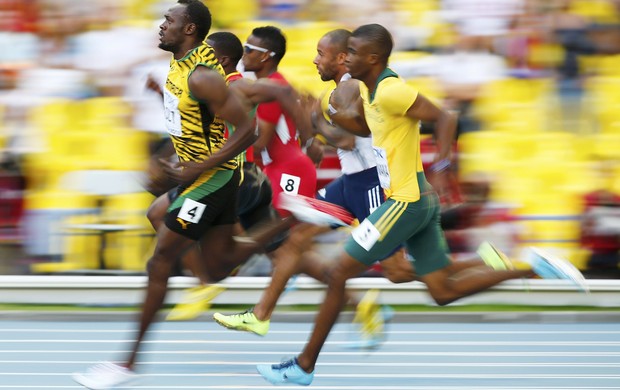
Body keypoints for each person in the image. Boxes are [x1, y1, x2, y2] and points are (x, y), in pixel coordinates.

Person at [256, 23, 588, 386]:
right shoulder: (368, 91)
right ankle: (533, 267)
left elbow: (446, 116)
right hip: (418, 199)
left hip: (405, 201)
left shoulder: (391, 90)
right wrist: (322, 115)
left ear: (372, 58)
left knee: (338, 274)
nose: (345, 57)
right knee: (442, 290)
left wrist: (444, 168)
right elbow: (363, 131)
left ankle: (304, 366)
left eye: (351, 52)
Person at [71, 2, 292, 388]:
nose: (161, 26)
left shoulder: (204, 76)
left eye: (168, 21)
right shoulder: (180, 65)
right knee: (219, 266)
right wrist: (168, 145)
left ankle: (126, 363)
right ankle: (286, 222)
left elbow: (249, 130)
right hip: (202, 177)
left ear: (188, 29)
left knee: (160, 262)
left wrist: (198, 167)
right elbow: (191, 119)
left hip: (214, 180)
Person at [212, 29, 415, 344]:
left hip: (372, 185)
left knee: (397, 271)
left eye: (321, 54)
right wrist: (316, 134)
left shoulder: (349, 88)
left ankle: (455, 267)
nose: (315, 59)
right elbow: (348, 140)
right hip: (349, 185)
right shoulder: (339, 90)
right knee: (295, 240)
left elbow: (347, 139)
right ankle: (260, 315)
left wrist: (316, 123)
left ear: (341, 58)